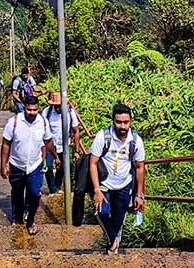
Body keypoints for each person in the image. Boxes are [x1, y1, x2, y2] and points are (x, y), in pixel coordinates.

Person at [89, 102, 146, 255]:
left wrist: (139, 195)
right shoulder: (103, 136)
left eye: (126, 122)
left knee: (119, 219)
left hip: (124, 185)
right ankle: (113, 240)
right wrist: (96, 190)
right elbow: (93, 163)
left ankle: (112, 244)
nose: (122, 126)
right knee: (101, 212)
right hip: (104, 184)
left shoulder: (135, 141)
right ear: (113, 121)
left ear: (130, 121)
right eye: (118, 122)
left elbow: (140, 167)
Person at [0, 95, 55, 235]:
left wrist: (56, 156)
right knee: (18, 194)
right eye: (29, 110)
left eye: (35, 110)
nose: (32, 113)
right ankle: (17, 218)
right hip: (16, 165)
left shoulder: (42, 122)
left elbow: (48, 141)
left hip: (35, 165)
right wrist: (3, 165)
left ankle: (30, 220)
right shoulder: (14, 122)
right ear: (24, 107)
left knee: (35, 193)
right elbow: (6, 144)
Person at [42, 91, 81, 194]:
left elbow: (76, 131)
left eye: (60, 106)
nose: (58, 108)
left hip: (64, 145)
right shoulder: (47, 112)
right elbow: (42, 130)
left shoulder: (69, 112)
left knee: (63, 167)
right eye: (56, 106)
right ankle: (52, 189)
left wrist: (77, 150)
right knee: (48, 166)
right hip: (50, 145)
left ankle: (57, 186)